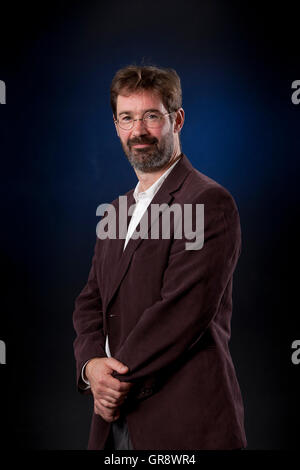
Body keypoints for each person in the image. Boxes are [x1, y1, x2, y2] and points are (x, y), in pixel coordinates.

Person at [73, 65, 247, 450]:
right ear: (116, 126)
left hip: (184, 421)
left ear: (177, 120)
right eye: (127, 118)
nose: (139, 131)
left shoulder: (207, 201)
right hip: (114, 424)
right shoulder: (116, 211)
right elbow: (91, 301)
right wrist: (90, 367)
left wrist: (110, 381)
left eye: (152, 116)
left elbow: (181, 313)